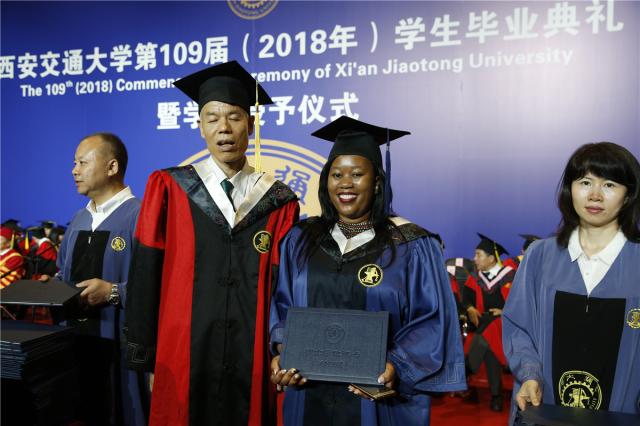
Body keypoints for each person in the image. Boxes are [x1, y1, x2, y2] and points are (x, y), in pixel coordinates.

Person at [124, 60, 299, 426]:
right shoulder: (169, 188)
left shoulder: (279, 202)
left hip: (252, 356)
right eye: (212, 118)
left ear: (251, 125)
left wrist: (284, 349)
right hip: (182, 354)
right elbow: (144, 275)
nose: (224, 128)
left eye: (234, 117)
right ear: (199, 126)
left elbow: (285, 290)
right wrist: (149, 357)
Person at [269, 116, 466, 425]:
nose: (345, 183)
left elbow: (432, 320)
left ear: (376, 182)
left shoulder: (411, 244)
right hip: (309, 395)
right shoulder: (301, 239)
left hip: (377, 402)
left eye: (357, 174)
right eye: (337, 174)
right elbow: (282, 304)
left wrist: (396, 365)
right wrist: (285, 353)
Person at [503, 142, 640, 423]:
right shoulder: (540, 256)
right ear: (570, 189)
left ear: (628, 195)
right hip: (547, 410)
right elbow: (519, 327)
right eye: (585, 182)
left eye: (609, 185)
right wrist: (529, 374)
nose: (595, 195)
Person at [45, 132, 145, 425]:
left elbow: (162, 285)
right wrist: (51, 289)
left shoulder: (141, 216)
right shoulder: (79, 220)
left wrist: (114, 292)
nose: (74, 171)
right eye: (74, 163)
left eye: (83, 162)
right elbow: (63, 272)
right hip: (76, 347)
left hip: (122, 348)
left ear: (112, 167)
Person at [462, 233, 516, 411]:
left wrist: (505, 311)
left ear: (491, 258)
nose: (474, 259)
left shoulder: (509, 276)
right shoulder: (475, 276)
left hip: (504, 322)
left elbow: (520, 301)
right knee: (489, 344)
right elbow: (466, 299)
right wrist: (470, 308)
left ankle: (469, 367)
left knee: (491, 327)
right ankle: (496, 396)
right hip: (483, 321)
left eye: (478, 255)